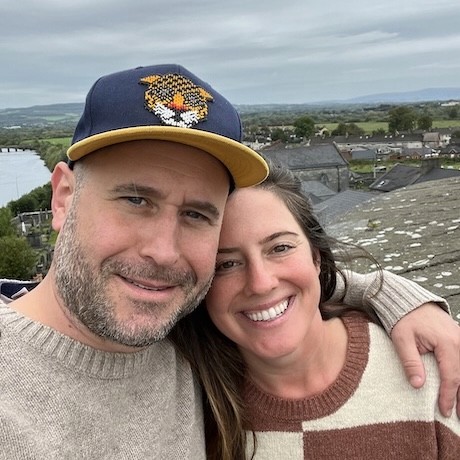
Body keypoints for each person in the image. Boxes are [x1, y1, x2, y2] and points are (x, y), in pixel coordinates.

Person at [0, 64, 458, 459]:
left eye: (196, 215)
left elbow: (281, 287)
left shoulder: (184, 335)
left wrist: (396, 297)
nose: (163, 251)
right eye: (136, 200)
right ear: (63, 197)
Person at [171, 163, 460, 459]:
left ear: (316, 258)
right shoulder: (189, 407)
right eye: (226, 265)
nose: (260, 283)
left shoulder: (430, 373)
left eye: (280, 248)